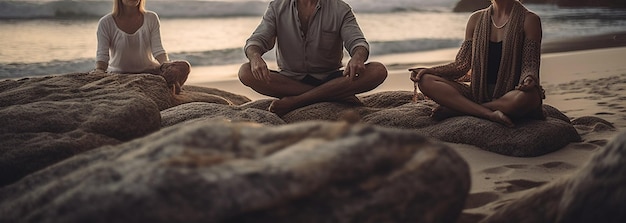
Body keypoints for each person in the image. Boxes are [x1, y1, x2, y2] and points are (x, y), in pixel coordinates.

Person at [239, 0, 388, 116]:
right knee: (246, 71)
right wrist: (255, 57)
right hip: (290, 80)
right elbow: (256, 40)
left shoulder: (340, 9)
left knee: (378, 70)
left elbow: (358, 42)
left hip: (331, 78)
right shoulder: (277, 7)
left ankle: (299, 100)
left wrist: (357, 57)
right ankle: (333, 95)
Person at [410, 0, 545, 127]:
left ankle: (460, 109)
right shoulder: (475, 19)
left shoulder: (529, 20)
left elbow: (530, 64)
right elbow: (461, 65)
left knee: (527, 98)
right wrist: (431, 71)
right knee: (425, 80)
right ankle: (488, 113)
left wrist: (528, 79)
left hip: (511, 93)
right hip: (478, 93)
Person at [92, 0, 190, 94]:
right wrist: (99, 71)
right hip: (120, 75)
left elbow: (158, 50)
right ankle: (167, 87)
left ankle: (167, 86)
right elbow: (102, 55)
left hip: (150, 72)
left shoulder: (151, 18)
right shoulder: (105, 22)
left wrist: (168, 67)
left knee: (183, 66)